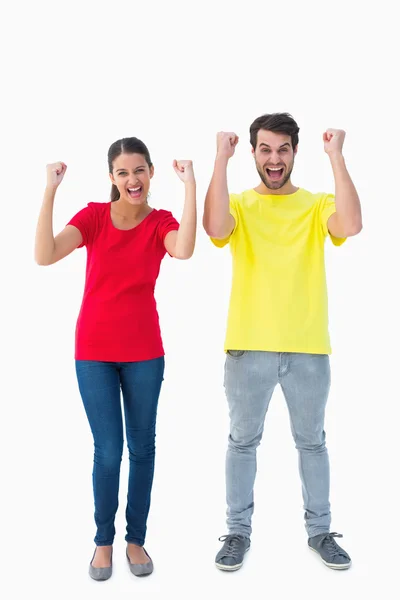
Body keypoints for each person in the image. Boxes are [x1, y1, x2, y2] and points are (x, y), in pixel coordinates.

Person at [203, 113, 362, 571]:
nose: (275, 159)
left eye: (284, 149)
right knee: (241, 442)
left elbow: (350, 225)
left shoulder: (315, 206)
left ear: (295, 152)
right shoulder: (238, 204)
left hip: (308, 348)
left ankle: (320, 532)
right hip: (248, 347)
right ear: (253, 153)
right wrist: (219, 158)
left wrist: (336, 155)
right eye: (266, 149)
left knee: (312, 443)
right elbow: (215, 229)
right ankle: (237, 533)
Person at [34, 137, 197, 581]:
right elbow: (44, 255)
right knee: (108, 452)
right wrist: (50, 189)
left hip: (145, 352)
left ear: (151, 173)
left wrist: (191, 187)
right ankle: (103, 542)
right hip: (94, 353)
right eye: (123, 173)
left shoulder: (160, 221)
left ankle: (136, 540)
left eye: (139, 171)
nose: (132, 180)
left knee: (142, 449)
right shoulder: (93, 217)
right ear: (112, 178)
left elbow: (183, 249)